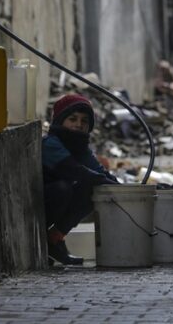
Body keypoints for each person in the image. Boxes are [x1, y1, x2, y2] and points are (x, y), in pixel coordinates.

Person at [42, 93, 119, 265]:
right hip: (40, 205)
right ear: (61, 121)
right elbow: (75, 171)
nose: (78, 125)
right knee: (63, 188)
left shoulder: (80, 148)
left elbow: (100, 173)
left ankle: (55, 239)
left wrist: (125, 190)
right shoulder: (51, 144)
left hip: (60, 200)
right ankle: (42, 238)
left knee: (93, 190)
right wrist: (103, 180)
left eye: (84, 121)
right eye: (72, 119)